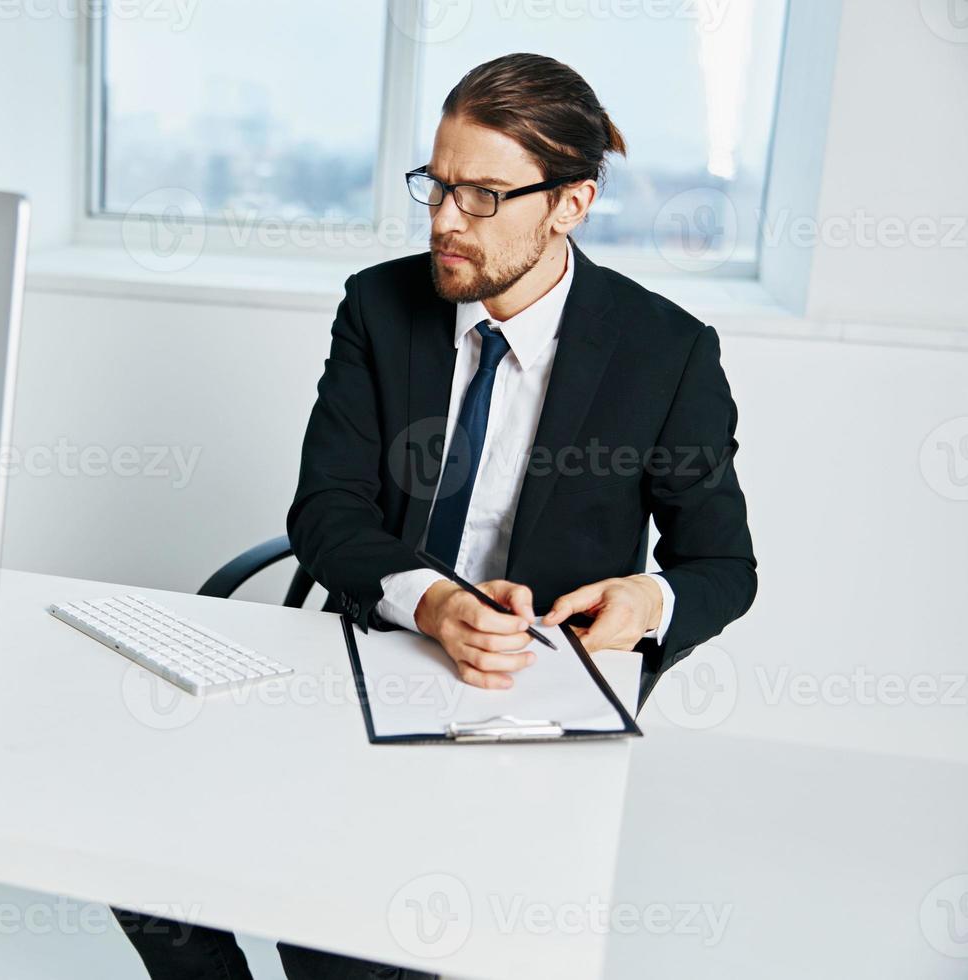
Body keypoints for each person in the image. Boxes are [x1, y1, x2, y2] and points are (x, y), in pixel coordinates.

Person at [118, 51, 757, 980]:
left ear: (570, 203)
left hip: (526, 694)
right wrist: (428, 602)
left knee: (349, 939)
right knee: (138, 849)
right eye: (438, 186)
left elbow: (722, 568)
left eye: (486, 195)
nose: (447, 221)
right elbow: (326, 507)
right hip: (377, 648)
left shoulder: (667, 354)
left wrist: (647, 604)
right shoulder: (380, 306)